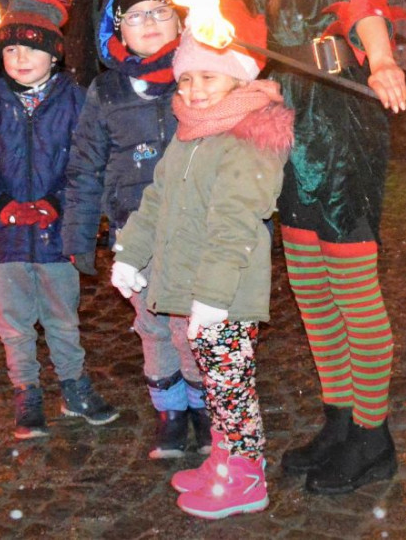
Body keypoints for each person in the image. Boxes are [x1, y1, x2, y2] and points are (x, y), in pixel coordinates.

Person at [250, 0, 405, 495]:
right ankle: (339, 419)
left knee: (350, 281)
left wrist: (383, 59)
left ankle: (374, 437)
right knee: (310, 282)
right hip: (287, 111)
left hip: (338, 110)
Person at [110, 28, 293, 519]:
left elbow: (235, 223)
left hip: (226, 293)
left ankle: (247, 476)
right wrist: (131, 252)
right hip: (194, 286)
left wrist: (213, 298)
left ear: (236, 79)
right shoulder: (193, 132)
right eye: (186, 77)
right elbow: (156, 201)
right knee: (215, 383)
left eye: (208, 76)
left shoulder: (249, 137)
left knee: (231, 386)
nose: (193, 89)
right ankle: (223, 458)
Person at [0, 0, 118, 439]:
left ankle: (73, 384)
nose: (21, 58)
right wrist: (2, 206)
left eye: (32, 48)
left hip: (56, 233)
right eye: (12, 48)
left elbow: (87, 164)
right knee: (13, 321)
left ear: (55, 55)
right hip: (1, 237)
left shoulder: (75, 101)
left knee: (63, 315)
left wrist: (55, 204)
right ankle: (26, 388)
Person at [63, 0, 202, 459]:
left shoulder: (199, 80)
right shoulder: (106, 91)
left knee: (192, 326)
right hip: (134, 235)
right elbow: (84, 165)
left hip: (194, 231)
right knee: (154, 326)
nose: (149, 23)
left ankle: (204, 409)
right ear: (117, 32)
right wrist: (79, 235)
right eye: (136, 16)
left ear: (179, 22)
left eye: (160, 12)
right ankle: (170, 412)